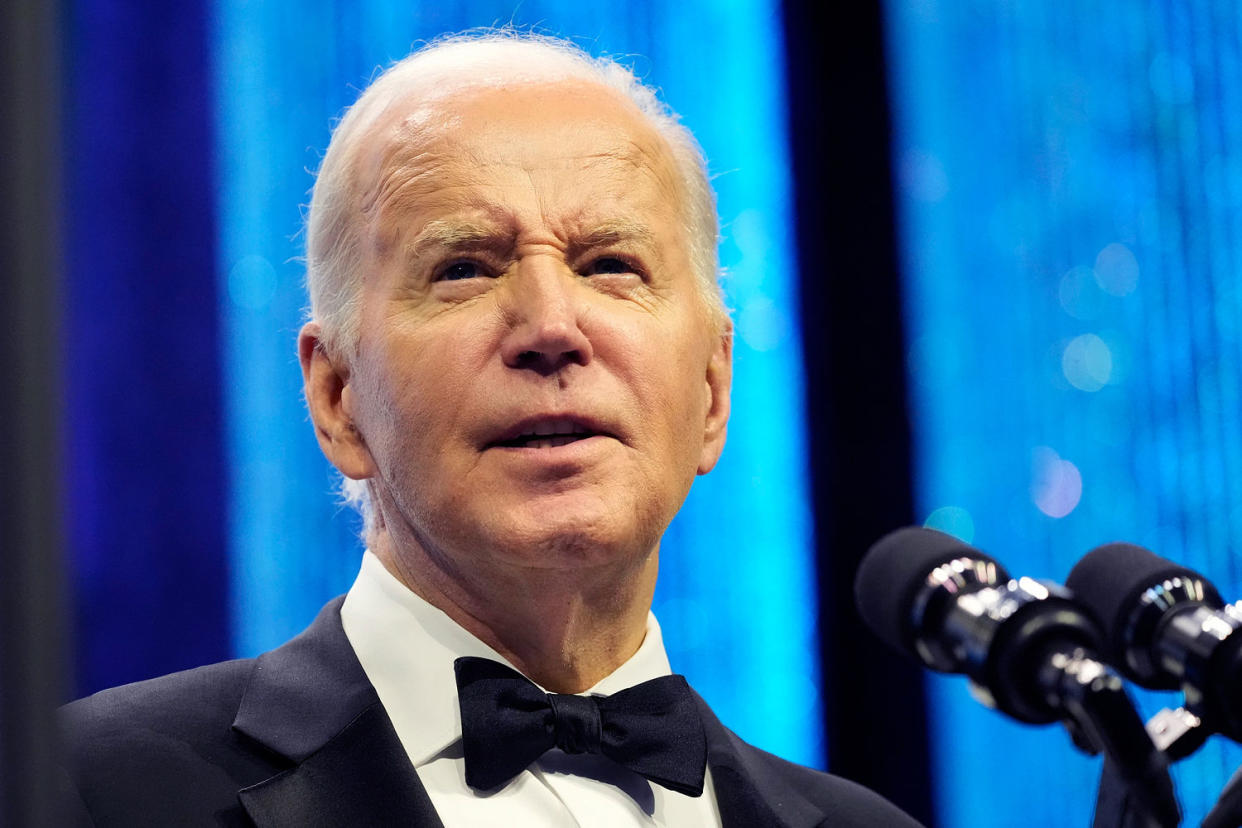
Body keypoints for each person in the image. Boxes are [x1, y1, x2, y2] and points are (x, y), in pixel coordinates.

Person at [60, 31, 923, 827]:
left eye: (610, 265)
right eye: (464, 268)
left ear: (711, 390)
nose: (552, 326)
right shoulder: (85, 788)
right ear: (336, 396)